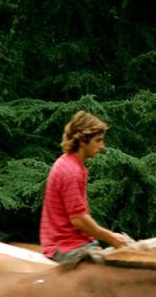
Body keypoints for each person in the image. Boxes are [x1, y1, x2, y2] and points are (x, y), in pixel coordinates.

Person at [40, 111, 133, 260]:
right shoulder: (72, 171)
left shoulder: (70, 163)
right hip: (66, 246)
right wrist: (111, 237)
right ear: (83, 141)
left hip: (73, 242)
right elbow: (78, 219)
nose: (102, 146)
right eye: (98, 140)